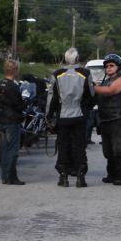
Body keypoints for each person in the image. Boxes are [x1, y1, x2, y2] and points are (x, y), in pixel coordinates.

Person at [48, 47, 94, 187]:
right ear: (77, 59)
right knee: (80, 146)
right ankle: (80, 177)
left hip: (63, 116)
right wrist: (86, 109)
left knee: (63, 145)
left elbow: (52, 97)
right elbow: (91, 95)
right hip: (79, 115)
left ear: (65, 58)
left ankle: (63, 177)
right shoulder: (85, 73)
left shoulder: (57, 74)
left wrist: (48, 116)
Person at [94, 53, 121, 185]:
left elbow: (110, 91)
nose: (108, 68)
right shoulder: (105, 82)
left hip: (119, 119)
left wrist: (91, 87)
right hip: (105, 120)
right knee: (108, 151)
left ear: (118, 67)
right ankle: (111, 174)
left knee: (119, 149)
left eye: (111, 65)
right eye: (107, 66)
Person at [0, 59, 26, 185]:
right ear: (15, 70)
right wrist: (26, 102)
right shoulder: (13, 87)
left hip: (2, 120)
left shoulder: (0, 84)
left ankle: (5, 177)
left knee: (5, 149)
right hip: (12, 120)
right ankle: (11, 177)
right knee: (13, 150)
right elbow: (19, 105)